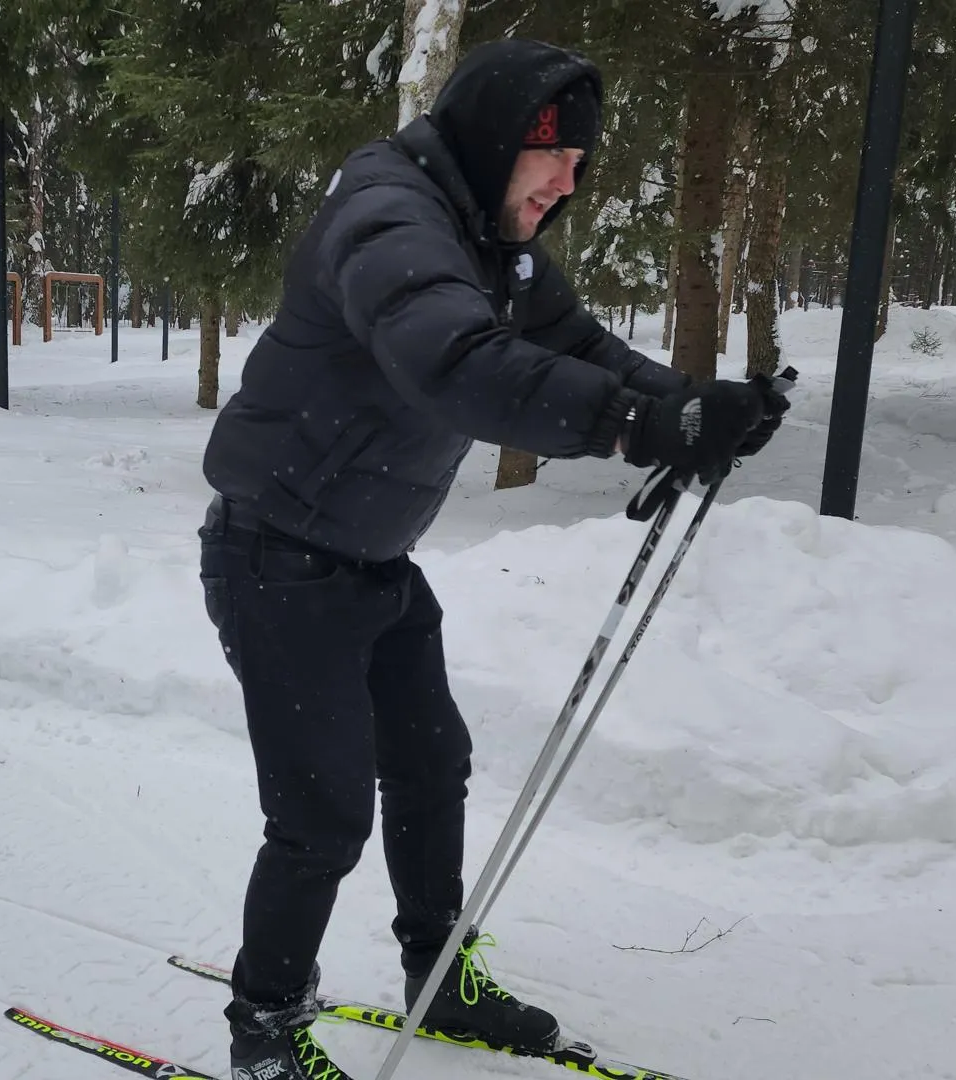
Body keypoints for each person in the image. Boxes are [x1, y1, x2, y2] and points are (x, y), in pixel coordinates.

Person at [196, 37, 787, 1080]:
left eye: (579, 164)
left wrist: (693, 408)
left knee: (431, 763)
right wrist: (632, 427)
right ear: (489, 136)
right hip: (275, 558)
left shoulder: (485, 237)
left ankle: (437, 977)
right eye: (549, 154)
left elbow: (581, 350)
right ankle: (266, 1031)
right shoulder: (389, 217)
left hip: (369, 559)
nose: (568, 182)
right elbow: (451, 361)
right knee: (322, 818)